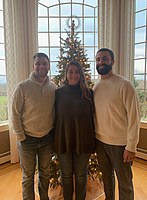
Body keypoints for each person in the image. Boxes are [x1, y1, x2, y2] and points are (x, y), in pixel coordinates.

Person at [93, 48, 140, 200]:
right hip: (100, 142)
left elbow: (134, 117)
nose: (101, 62)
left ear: (112, 61)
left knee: (125, 183)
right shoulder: (96, 87)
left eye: (105, 59)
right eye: (98, 59)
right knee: (107, 179)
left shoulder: (124, 85)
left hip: (120, 145)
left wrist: (131, 146)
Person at [12, 53, 56, 200]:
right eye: (38, 63)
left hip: (46, 139)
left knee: (45, 173)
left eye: (44, 63)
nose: (41, 66)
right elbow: (15, 113)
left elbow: (55, 113)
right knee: (28, 176)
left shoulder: (53, 88)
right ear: (33, 66)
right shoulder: (23, 87)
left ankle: (44, 198)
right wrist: (21, 137)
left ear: (49, 66)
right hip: (27, 140)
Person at [54, 60, 95, 200]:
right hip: (63, 140)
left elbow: (93, 117)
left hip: (83, 141)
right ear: (66, 74)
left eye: (76, 72)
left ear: (81, 74)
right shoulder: (58, 93)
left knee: (81, 175)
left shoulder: (89, 93)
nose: (73, 75)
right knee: (65, 175)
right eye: (70, 72)